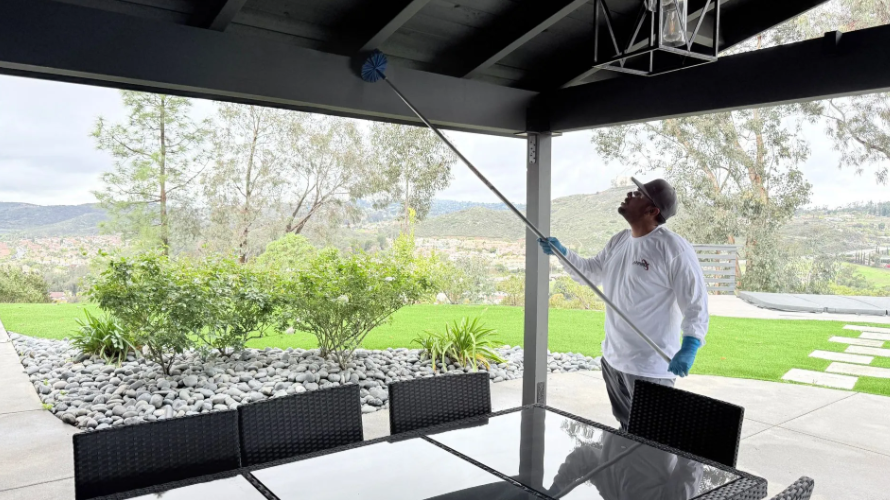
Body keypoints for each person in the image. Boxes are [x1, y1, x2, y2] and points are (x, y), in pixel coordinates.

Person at [538, 177, 708, 430]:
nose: (630, 194)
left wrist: (690, 346)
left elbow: (696, 303)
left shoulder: (673, 249)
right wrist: (563, 253)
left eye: (639, 194)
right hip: (614, 360)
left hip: (651, 368)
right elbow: (591, 273)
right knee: (626, 433)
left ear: (653, 211)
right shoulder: (619, 240)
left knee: (652, 442)